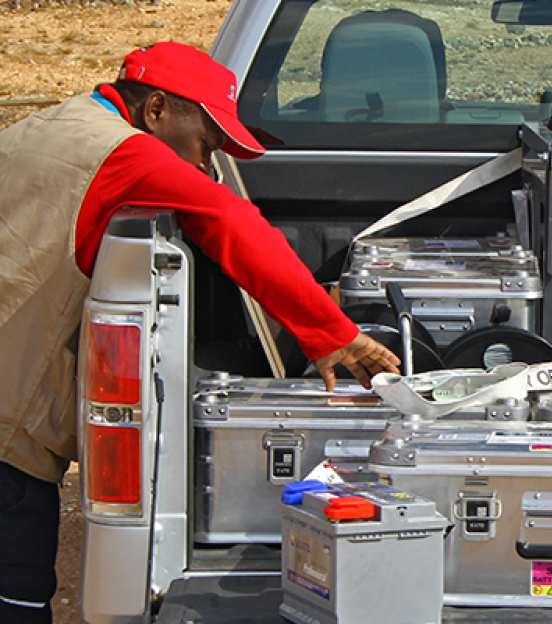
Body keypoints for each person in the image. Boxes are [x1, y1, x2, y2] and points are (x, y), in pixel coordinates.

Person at [0, 42, 401, 622]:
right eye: (206, 144)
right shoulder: (127, 154)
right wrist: (334, 333)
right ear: (157, 109)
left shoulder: (47, 125)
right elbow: (231, 222)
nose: (205, 166)